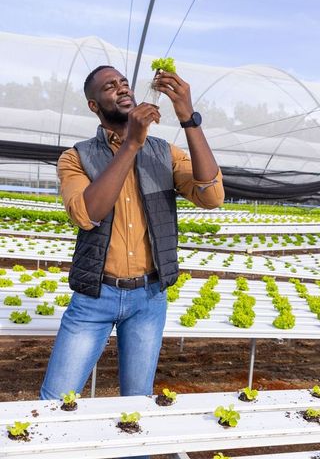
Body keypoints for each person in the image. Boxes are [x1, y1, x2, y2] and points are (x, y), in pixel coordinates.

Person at [40, 64, 224, 421]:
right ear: (94, 105)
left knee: (136, 407)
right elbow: (86, 213)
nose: (122, 88)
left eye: (124, 83)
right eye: (110, 87)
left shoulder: (164, 152)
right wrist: (131, 144)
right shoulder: (75, 157)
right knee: (53, 402)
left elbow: (211, 194)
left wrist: (188, 117)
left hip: (148, 300)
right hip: (94, 298)